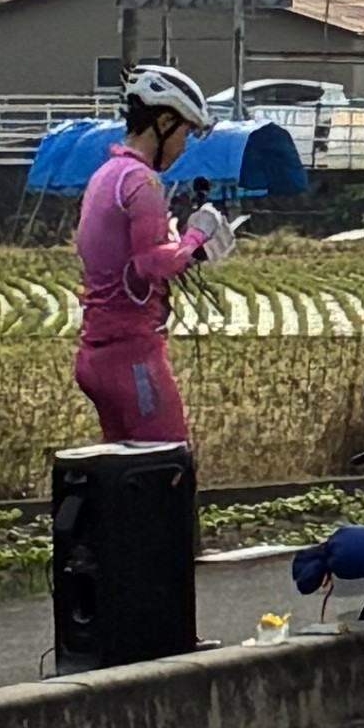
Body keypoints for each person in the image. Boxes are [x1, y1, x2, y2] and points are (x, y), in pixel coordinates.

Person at [76, 64, 226, 448]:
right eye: (184, 133)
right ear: (163, 122)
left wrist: (179, 241)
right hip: (133, 356)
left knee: (124, 472)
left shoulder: (106, 175)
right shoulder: (142, 181)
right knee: (168, 460)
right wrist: (198, 237)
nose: (183, 146)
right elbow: (151, 263)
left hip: (96, 355)